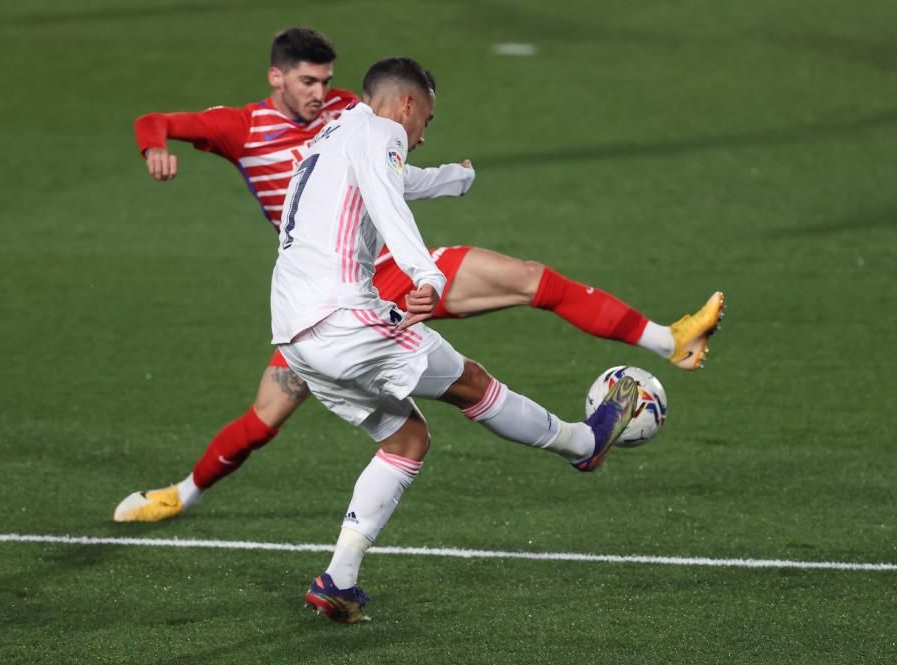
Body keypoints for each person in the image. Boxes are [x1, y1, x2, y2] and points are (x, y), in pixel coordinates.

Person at [113, 27, 724, 523]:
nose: (321, 92)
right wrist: (153, 148)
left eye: (327, 79)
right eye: (307, 81)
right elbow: (152, 120)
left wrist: (449, 179)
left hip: (381, 276)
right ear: (276, 77)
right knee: (266, 416)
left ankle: (668, 340)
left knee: (533, 279)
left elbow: (387, 176)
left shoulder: (351, 114)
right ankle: (182, 493)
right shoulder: (241, 129)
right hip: (339, 297)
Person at [271, 56, 644, 622]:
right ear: (407, 105)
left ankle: (338, 579)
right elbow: (386, 195)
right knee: (470, 383)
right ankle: (581, 446)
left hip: (295, 333)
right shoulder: (382, 129)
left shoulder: (337, 131)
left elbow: (390, 178)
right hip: (343, 317)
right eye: (426, 122)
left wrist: (453, 178)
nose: (421, 137)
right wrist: (426, 273)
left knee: (406, 441)